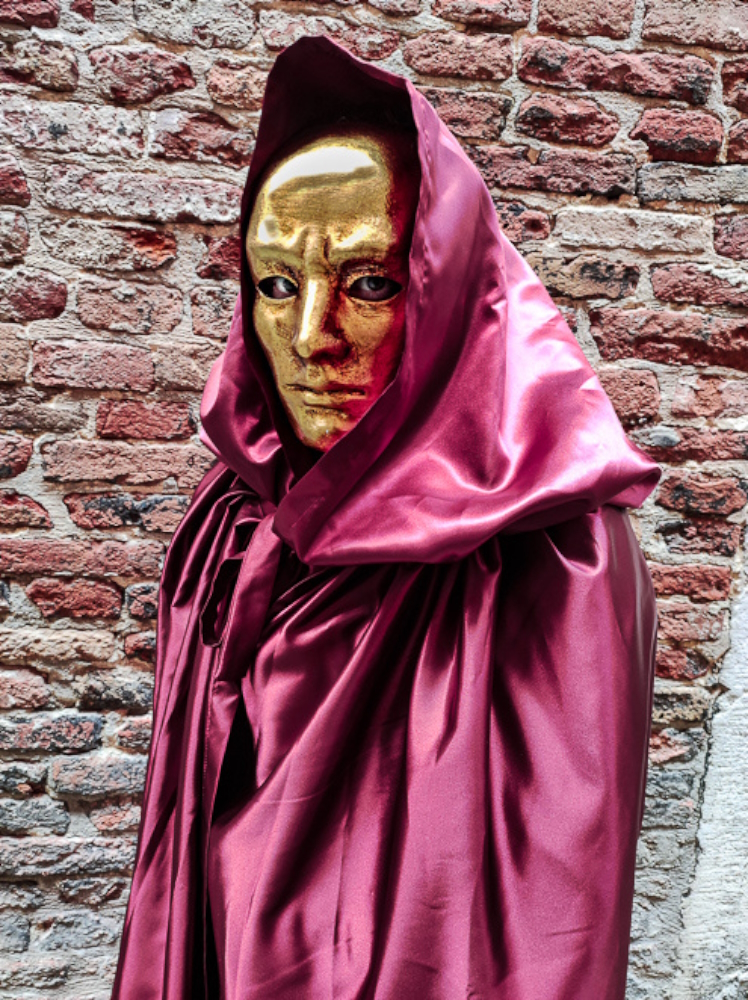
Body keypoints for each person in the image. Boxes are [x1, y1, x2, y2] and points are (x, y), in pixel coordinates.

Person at [111, 36, 660, 1000]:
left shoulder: (550, 541)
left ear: (451, 292)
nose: (312, 338)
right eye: (277, 285)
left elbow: (549, 908)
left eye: (371, 284)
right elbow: (182, 835)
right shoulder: (232, 519)